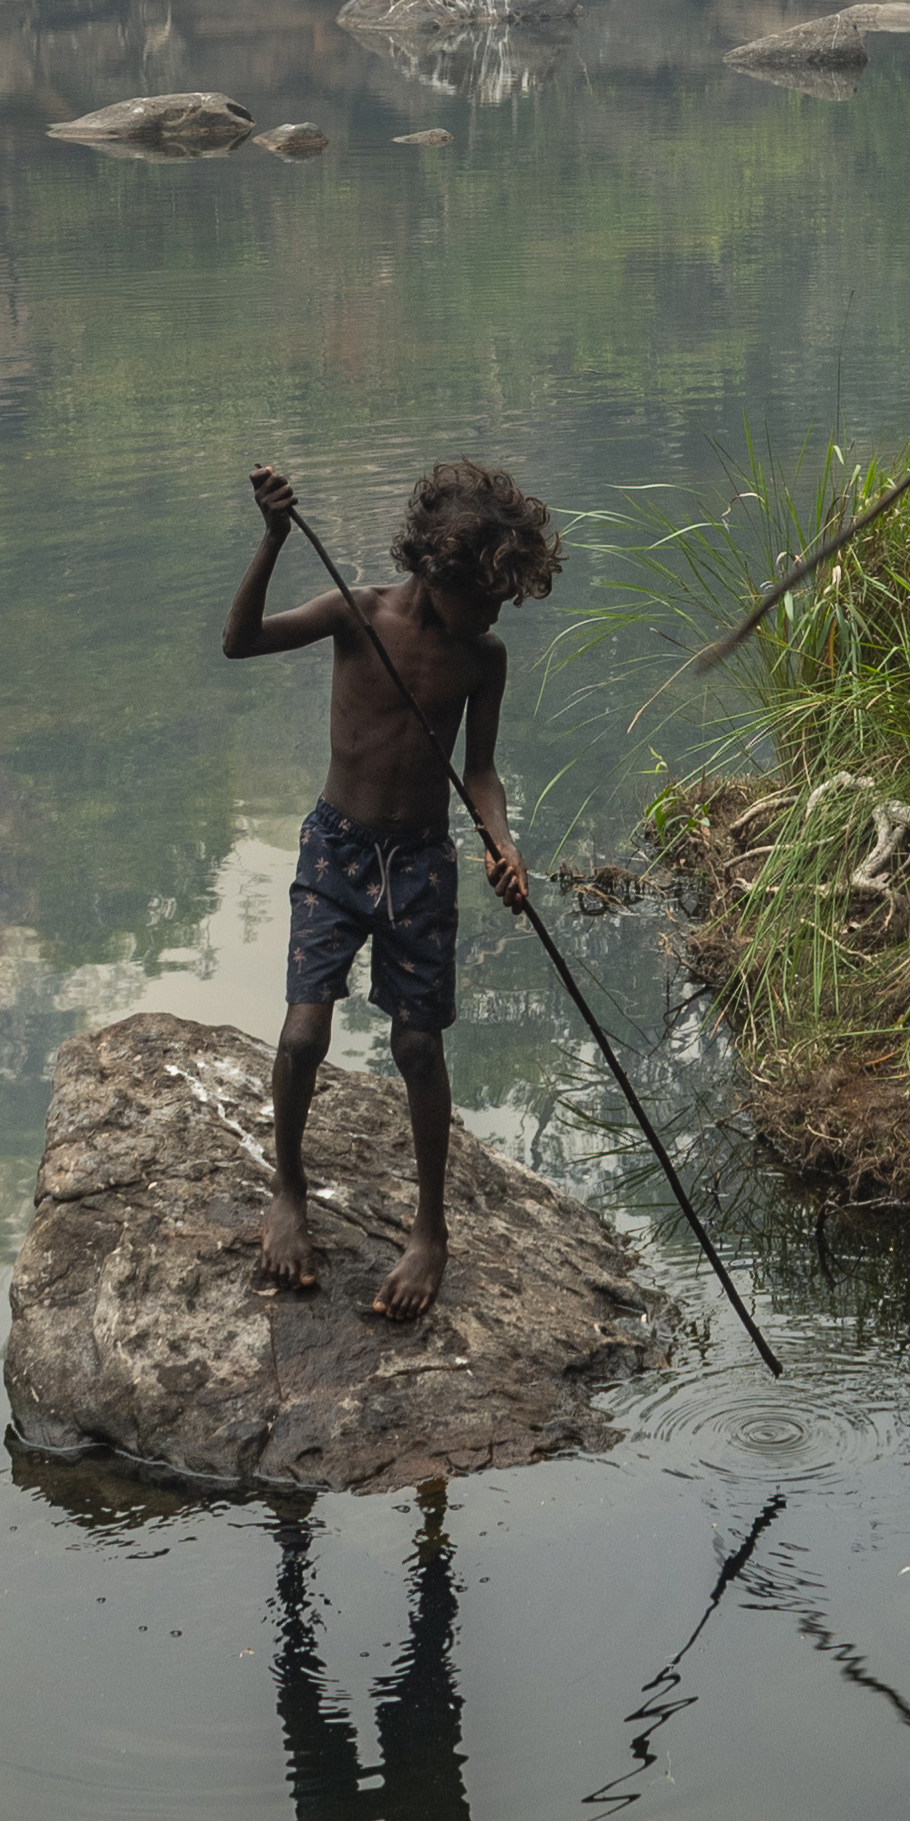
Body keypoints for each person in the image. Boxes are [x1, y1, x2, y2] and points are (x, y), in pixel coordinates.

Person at [227, 455, 549, 1317]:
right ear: (434, 568)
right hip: (336, 850)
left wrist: (500, 842)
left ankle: (430, 1231)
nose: (487, 617)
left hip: (419, 860)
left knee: (417, 1048)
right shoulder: (355, 613)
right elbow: (241, 640)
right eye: (478, 597)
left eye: (497, 606)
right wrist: (272, 538)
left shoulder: (483, 658)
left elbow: (479, 772)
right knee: (301, 1036)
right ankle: (288, 1192)